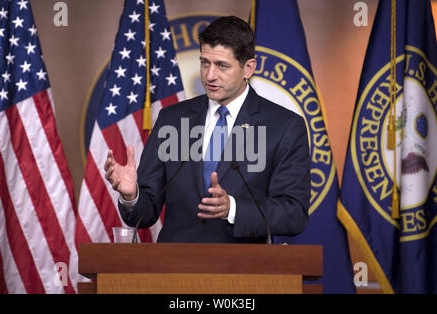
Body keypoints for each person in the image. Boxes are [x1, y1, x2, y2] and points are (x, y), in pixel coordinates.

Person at [104, 16, 310, 243]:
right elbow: (144, 214)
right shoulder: (171, 119)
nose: (210, 75)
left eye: (222, 66)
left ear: (248, 68)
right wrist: (132, 195)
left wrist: (232, 208)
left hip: (243, 271)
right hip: (173, 270)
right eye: (204, 63)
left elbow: (293, 213)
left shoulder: (284, 126)